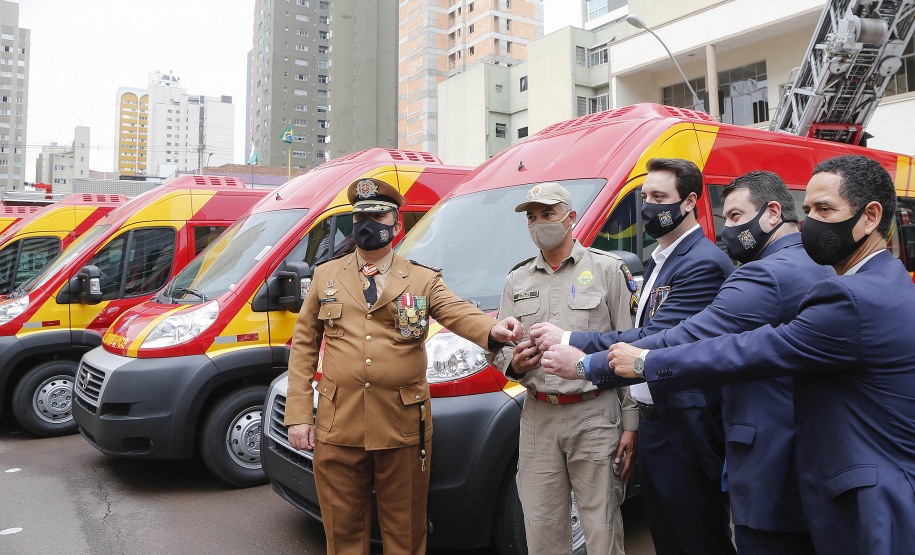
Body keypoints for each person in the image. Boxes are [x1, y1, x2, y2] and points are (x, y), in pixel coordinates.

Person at [609, 155, 915, 555]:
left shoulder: (849, 296)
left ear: (871, 217)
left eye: (825, 209)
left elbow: (749, 350)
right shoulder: (887, 279)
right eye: (807, 210)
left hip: (865, 503)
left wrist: (640, 362)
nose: (809, 223)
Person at [554, 171, 826, 554]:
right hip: (786, 442)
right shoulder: (812, 262)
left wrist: (587, 363)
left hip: (765, 450)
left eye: (734, 217)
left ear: (773, 213)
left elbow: (687, 338)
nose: (728, 228)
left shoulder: (762, 274)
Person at [284, 177, 523, 555]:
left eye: (378, 215)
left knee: (405, 532)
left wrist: (494, 328)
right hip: (337, 422)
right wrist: (298, 414)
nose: (367, 224)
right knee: (342, 532)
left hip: (402, 425)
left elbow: (457, 312)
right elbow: (303, 347)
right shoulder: (326, 276)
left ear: (396, 226)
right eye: (360, 216)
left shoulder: (422, 279)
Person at [530, 158, 736, 555]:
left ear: (690, 201)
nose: (648, 207)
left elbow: (656, 338)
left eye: (660, 197)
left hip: (687, 424)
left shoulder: (702, 263)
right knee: (669, 534)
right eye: (645, 197)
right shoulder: (663, 258)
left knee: (697, 535)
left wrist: (572, 340)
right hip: (659, 422)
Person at [493, 182, 639, 555]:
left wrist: (631, 424)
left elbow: (631, 349)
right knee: (541, 529)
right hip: (538, 416)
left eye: (547, 214)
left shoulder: (607, 270)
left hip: (594, 412)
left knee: (601, 527)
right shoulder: (517, 279)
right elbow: (498, 346)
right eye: (532, 217)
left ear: (570, 218)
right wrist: (514, 362)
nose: (539, 223)